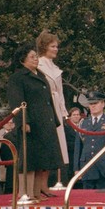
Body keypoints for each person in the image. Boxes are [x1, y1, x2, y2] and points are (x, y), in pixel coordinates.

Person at [6, 42, 61, 201]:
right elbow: (17, 101)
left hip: (45, 122)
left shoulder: (40, 74)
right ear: (23, 60)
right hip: (31, 123)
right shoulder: (18, 77)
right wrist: (24, 122)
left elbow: (48, 100)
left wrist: (54, 121)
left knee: (42, 159)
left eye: (36, 56)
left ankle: (36, 192)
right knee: (29, 160)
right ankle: (26, 192)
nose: (36, 59)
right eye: (32, 57)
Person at [36, 31, 69, 193]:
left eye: (57, 46)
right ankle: (40, 185)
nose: (56, 49)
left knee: (55, 149)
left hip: (56, 108)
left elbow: (60, 92)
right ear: (44, 47)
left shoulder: (55, 67)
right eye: (53, 46)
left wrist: (64, 112)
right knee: (46, 147)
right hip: (45, 109)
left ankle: (46, 185)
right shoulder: (38, 65)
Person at [74, 91, 105, 190]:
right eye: (91, 104)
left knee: (102, 199)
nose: (93, 106)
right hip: (87, 166)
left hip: (104, 167)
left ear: (103, 104)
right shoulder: (83, 123)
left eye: (95, 103)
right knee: (87, 199)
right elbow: (78, 146)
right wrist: (76, 168)